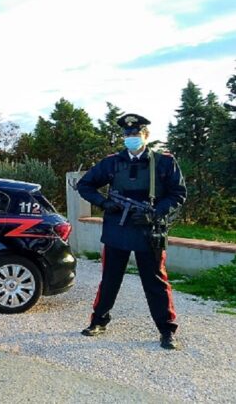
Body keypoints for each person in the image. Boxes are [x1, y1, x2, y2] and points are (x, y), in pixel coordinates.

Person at [76, 113, 186, 350]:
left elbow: (178, 193)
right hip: (117, 228)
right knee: (110, 279)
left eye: (135, 134)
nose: (130, 138)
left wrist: (155, 212)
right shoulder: (112, 162)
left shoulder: (164, 162)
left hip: (149, 231)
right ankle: (98, 321)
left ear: (145, 136)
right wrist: (104, 203)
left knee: (156, 281)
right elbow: (84, 185)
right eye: (127, 135)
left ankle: (167, 330)